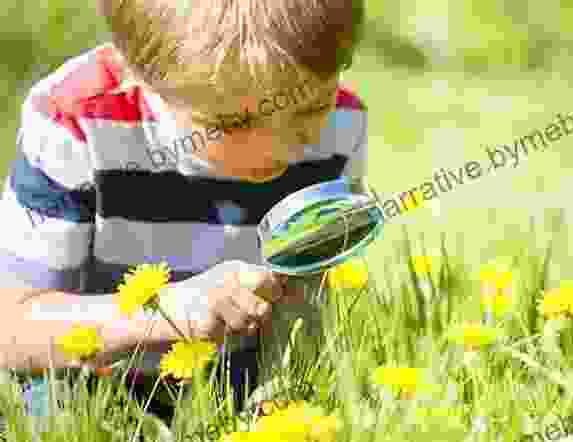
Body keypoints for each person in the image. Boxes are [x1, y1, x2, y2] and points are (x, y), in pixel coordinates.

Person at [0, 0, 368, 428]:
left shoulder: (343, 122)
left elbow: (308, 298)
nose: (281, 148)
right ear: (139, 72)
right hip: (87, 385)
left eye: (309, 110)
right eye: (232, 124)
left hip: (236, 386)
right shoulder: (76, 123)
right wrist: (166, 312)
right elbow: (11, 328)